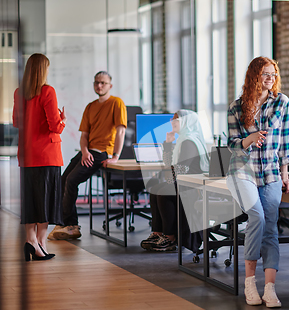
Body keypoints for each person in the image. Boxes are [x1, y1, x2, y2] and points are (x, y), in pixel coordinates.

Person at [226, 56, 289, 308]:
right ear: (254, 76)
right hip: (242, 171)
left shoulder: (282, 102)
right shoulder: (237, 107)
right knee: (257, 216)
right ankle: (249, 283)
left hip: (270, 174)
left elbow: (284, 143)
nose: (270, 79)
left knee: (270, 227)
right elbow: (232, 145)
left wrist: (285, 175)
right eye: (265, 74)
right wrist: (250, 138)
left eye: (273, 74)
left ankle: (270, 288)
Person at [48, 71, 127, 240]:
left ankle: (70, 225)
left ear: (110, 86)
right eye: (97, 82)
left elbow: (121, 131)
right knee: (63, 180)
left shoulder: (117, 103)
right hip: (88, 151)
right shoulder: (90, 106)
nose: (99, 85)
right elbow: (84, 135)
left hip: (102, 153)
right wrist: (84, 151)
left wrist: (116, 156)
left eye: (103, 83)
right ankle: (68, 223)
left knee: (72, 180)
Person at [13, 53, 66, 260]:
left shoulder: (19, 93)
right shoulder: (47, 91)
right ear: (43, 70)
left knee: (31, 200)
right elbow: (55, 127)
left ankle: (32, 241)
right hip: (47, 155)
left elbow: (17, 123)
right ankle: (40, 242)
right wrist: (62, 120)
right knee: (46, 200)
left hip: (27, 155)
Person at [140, 109, 209, 251]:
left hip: (192, 186)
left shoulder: (189, 142)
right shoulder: (182, 140)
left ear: (186, 122)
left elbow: (179, 170)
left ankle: (170, 238)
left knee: (164, 191)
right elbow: (170, 166)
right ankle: (157, 233)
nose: (172, 122)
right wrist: (167, 144)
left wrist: (167, 174)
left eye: (176, 119)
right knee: (156, 189)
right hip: (182, 182)